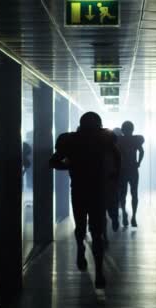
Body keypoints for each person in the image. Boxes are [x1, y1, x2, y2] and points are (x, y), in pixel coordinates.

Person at [49, 112, 120, 289]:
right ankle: (99, 272)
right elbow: (117, 159)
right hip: (97, 190)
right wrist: (112, 175)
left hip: (79, 189)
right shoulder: (105, 138)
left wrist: (72, 165)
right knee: (97, 232)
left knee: (81, 226)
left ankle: (80, 248)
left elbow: (53, 162)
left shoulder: (70, 140)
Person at [118, 121, 144, 227]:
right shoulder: (135, 140)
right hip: (133, 170)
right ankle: (133, 217)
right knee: (134, 193)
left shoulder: (119, 140)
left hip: (123, 170)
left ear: (122, 130)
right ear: (132, 129)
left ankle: (124, 213)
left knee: (122, 194)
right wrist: (138, 162)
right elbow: (142, 151)